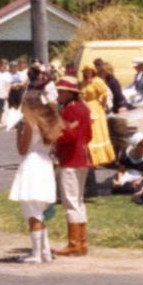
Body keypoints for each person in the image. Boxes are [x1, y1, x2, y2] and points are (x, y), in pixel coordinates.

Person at [9, 89, 61, 265]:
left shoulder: (30, 124)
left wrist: (18, 132)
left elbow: (21, 149)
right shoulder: (48, 122)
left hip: (32, 164)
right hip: (44, 163)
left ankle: (36, 253)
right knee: (39, 211)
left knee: (32, 212)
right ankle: (45, 251)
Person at [52, 76, 92, 257]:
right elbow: (88, 134)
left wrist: (54, 132)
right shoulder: (83, 108)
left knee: (70, 201)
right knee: (79, 201)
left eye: (61, 91)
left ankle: (74, 243)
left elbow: (68, 135)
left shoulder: (70, 110)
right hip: (82, 157)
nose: (58, 94)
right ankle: (81, 242)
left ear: (70, 93)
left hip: (70, 159)